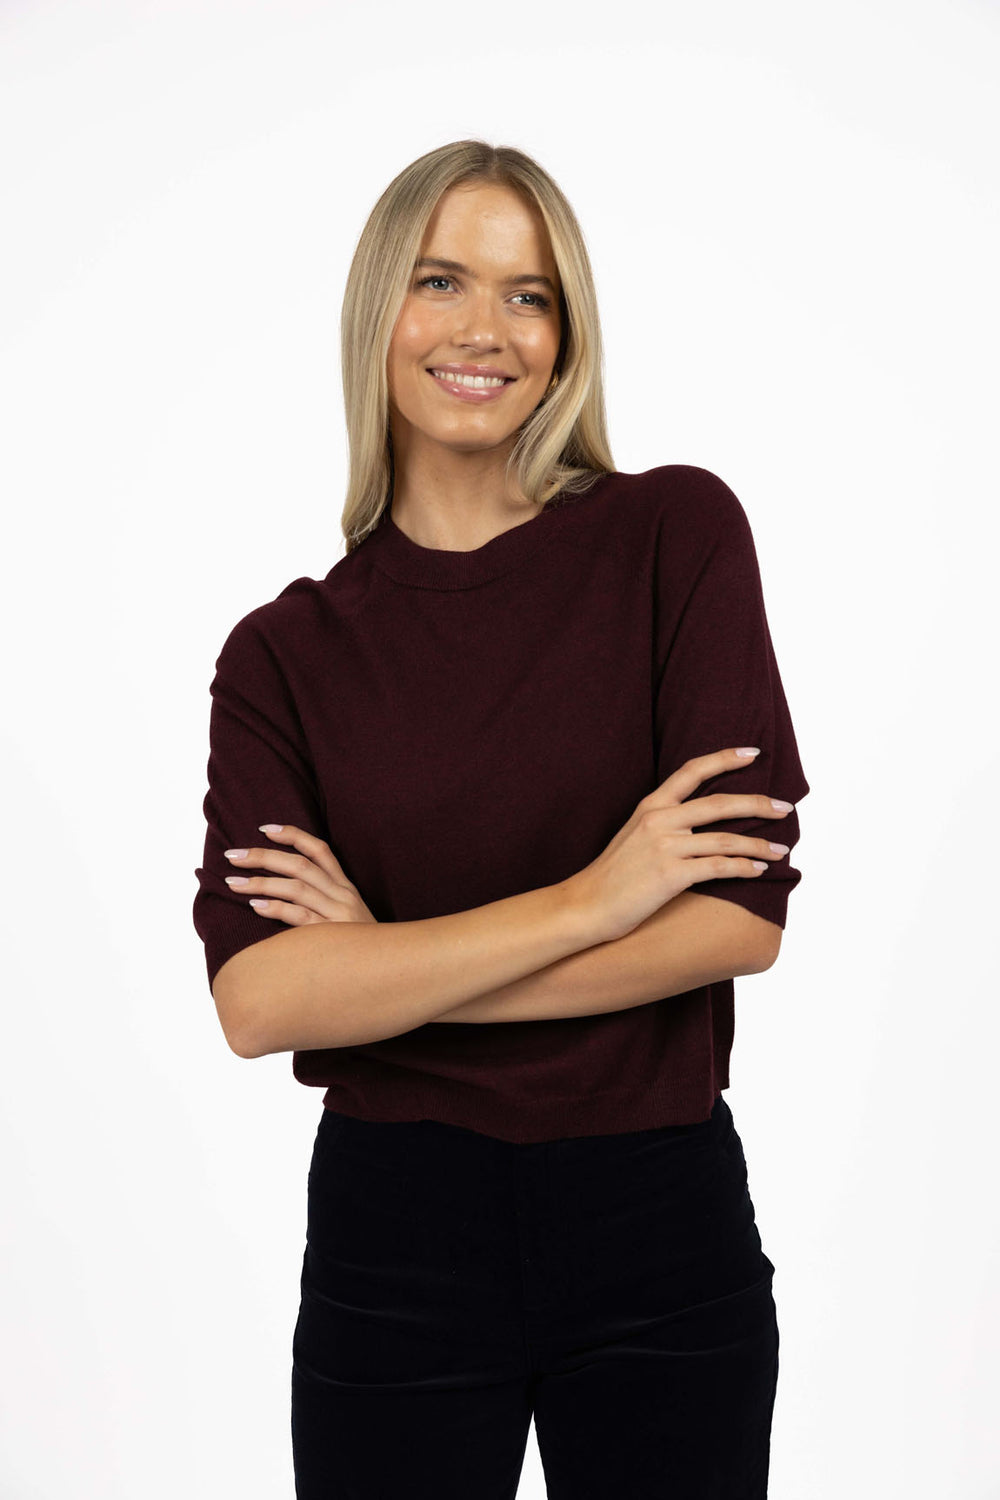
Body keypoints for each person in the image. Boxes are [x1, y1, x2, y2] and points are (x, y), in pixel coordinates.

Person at [192, 138, 810, 1500]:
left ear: (566, 334)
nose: (486, 328)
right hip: (394, 1238)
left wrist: (383, 978)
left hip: (659, 1220)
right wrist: (594, 900)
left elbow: (735, 922)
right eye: (442, 281)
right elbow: (260, 1002)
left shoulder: (674, 536)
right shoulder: (284, 654)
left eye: (530, 295)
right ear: (379, 312)